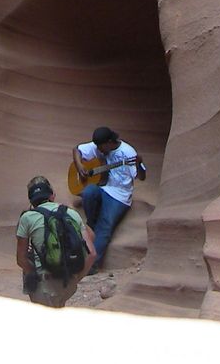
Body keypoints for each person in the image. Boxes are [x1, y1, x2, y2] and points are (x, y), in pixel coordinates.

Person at [72, 126, 146, 272]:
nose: (99, 151)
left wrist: (138, 164)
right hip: (104, 187)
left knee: (105, 226)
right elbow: (76, 150)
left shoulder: (127, 152)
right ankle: (91, 223)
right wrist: (80, 167)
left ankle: (91, 266)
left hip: (120, 195)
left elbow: (142, 177)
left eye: (101, 147)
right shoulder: (100, 146)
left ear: (109, 142)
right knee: (88, 192)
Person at [15, 176, 95, 307]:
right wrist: (76, 278)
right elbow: (92, 253)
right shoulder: (71, 213)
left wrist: (33, 273)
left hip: (44, 285)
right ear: (52, 195)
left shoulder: (27, 218)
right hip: (68, 283)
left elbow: (20, 259)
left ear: (31, 200)